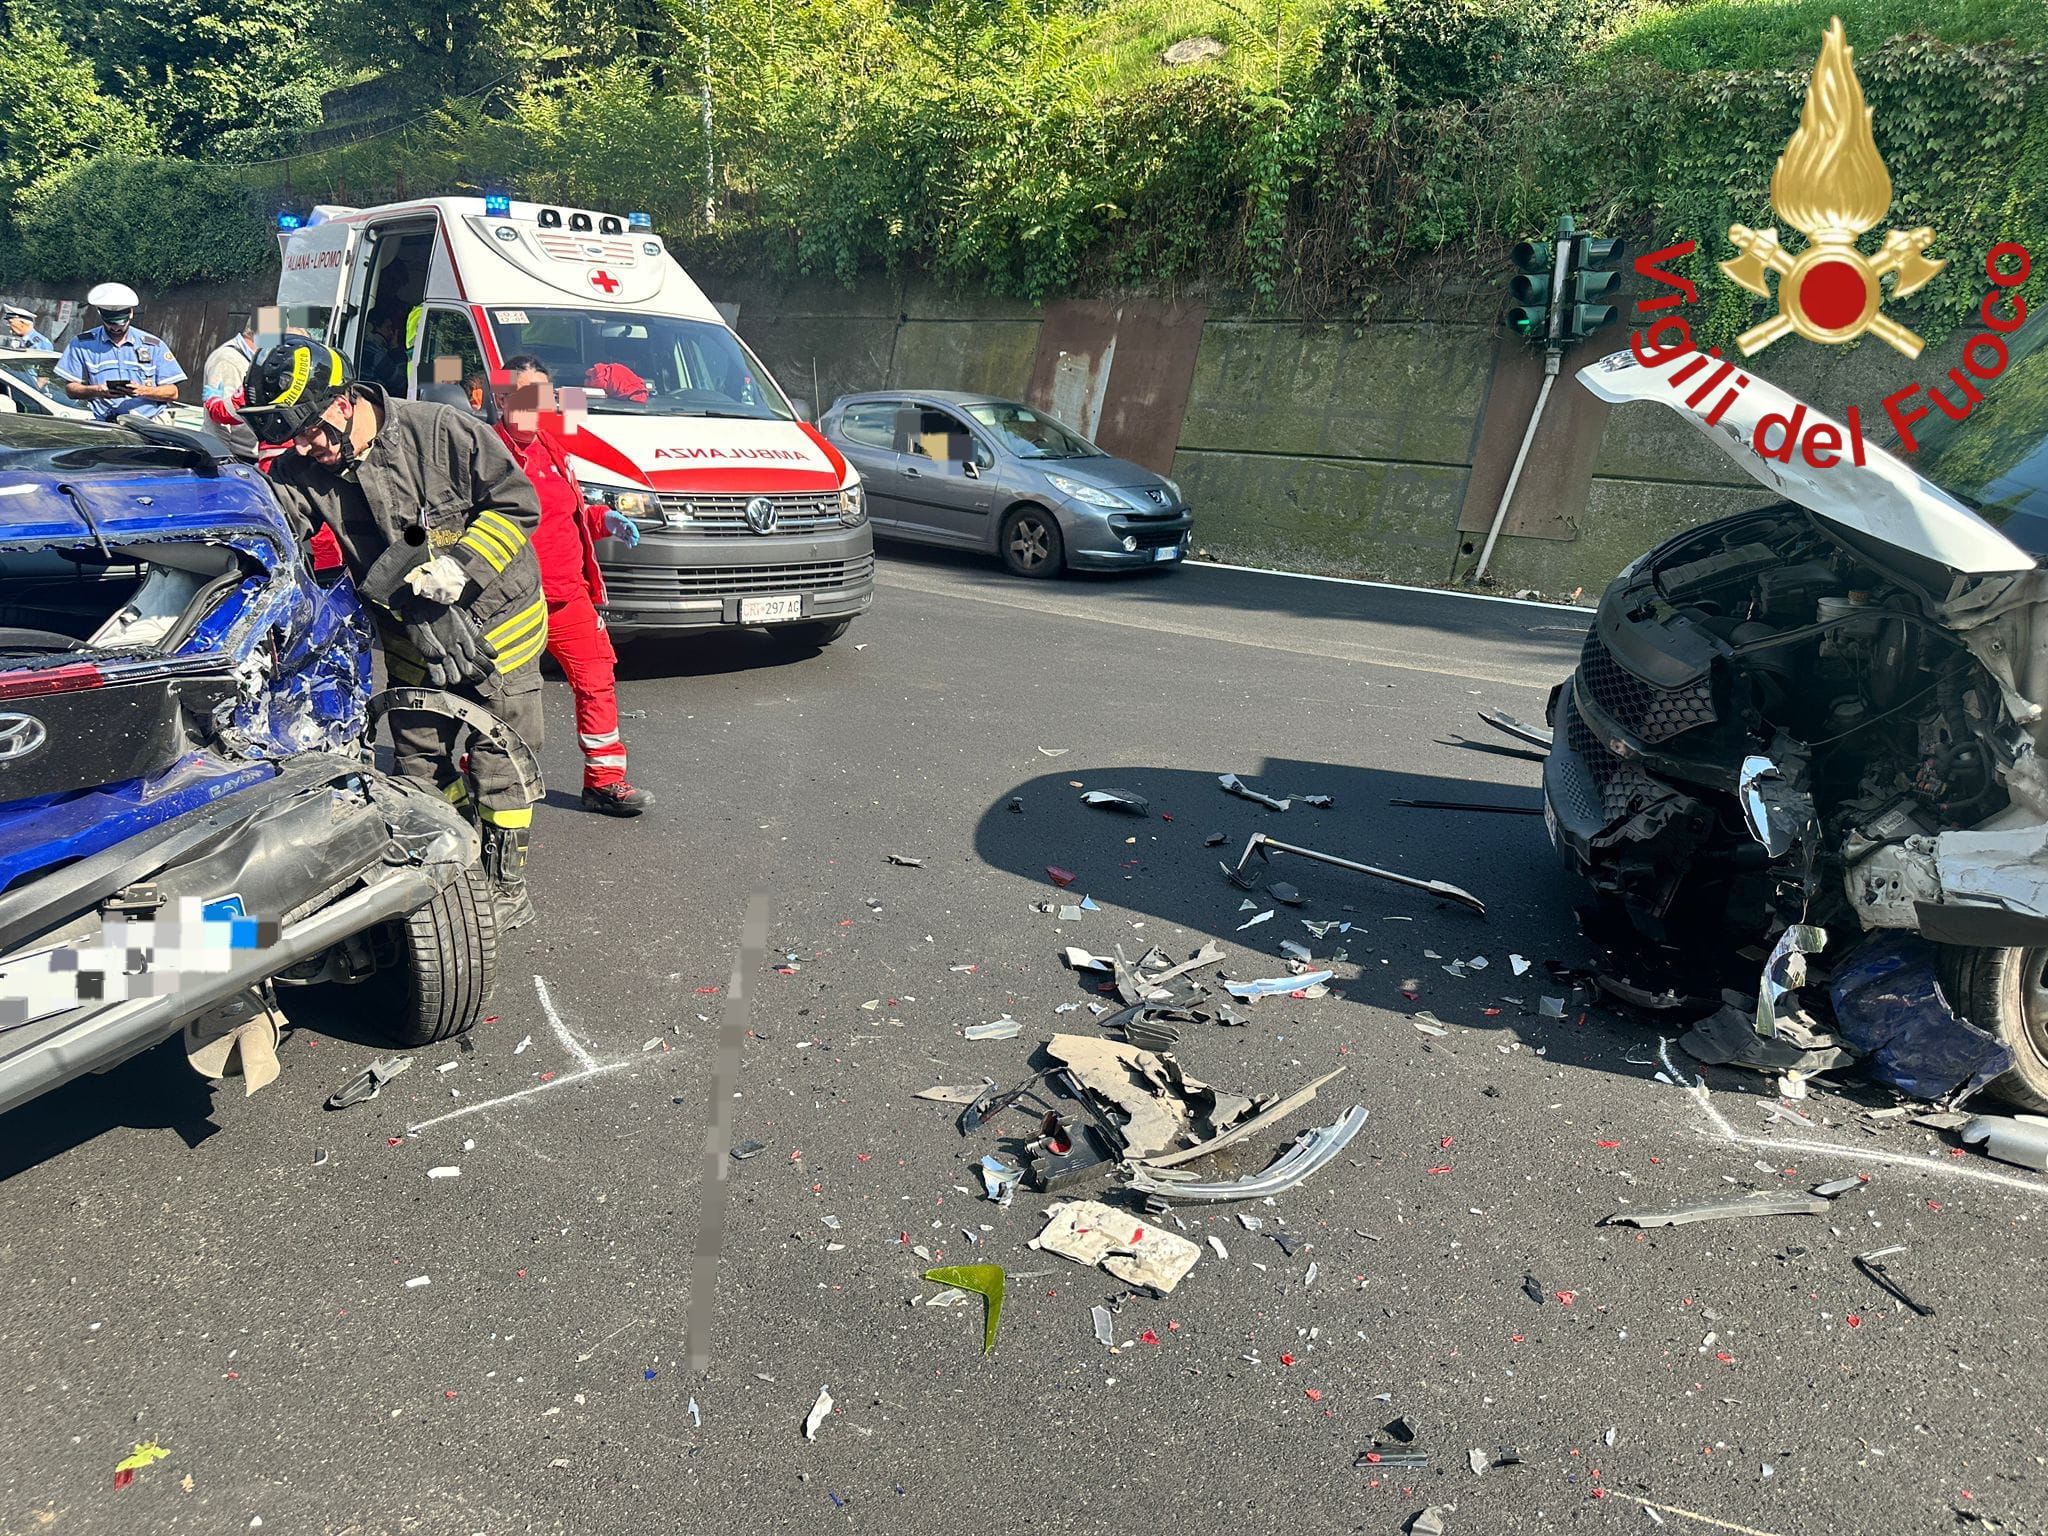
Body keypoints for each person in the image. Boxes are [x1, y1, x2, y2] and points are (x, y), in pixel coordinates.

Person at [239, 336, 550, 929]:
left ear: (344, 401)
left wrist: (460, 569)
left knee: (502, 761)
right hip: (410, 633)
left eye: (311, 430)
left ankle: (505, 885)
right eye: (293, 437)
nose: (305, 447)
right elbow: (273, 524)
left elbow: (516, 504)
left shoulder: (440, 431)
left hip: (499, 623)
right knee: (419, 759)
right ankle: (454, 863)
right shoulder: (302, 466)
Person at [492, 356, 653, 817]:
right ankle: (488, 774)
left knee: (597, 680)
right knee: (503, 695)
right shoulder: (487, 452)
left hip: (569, 596)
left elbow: (567, 514)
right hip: (514, 601)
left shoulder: (551, 445)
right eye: (524, 395)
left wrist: (605, 520)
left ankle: (603, 783)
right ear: (503, 399)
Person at [55, 283, 185, 422]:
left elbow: (173, 392)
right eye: (111, 323)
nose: (116, 328)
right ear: (100, 314)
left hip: (150, 423)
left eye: (121, 323)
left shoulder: (153, 346)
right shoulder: (81, 345)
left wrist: (142, 391)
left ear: (131, 314)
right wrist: (98, 390)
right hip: (106, 423)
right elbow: (71, 390)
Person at [201, 319, 261, 457]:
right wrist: (224, 458)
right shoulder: (228, 359)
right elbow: (220, 420)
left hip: (248, 454)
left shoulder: (255, 359)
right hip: (236, 455)